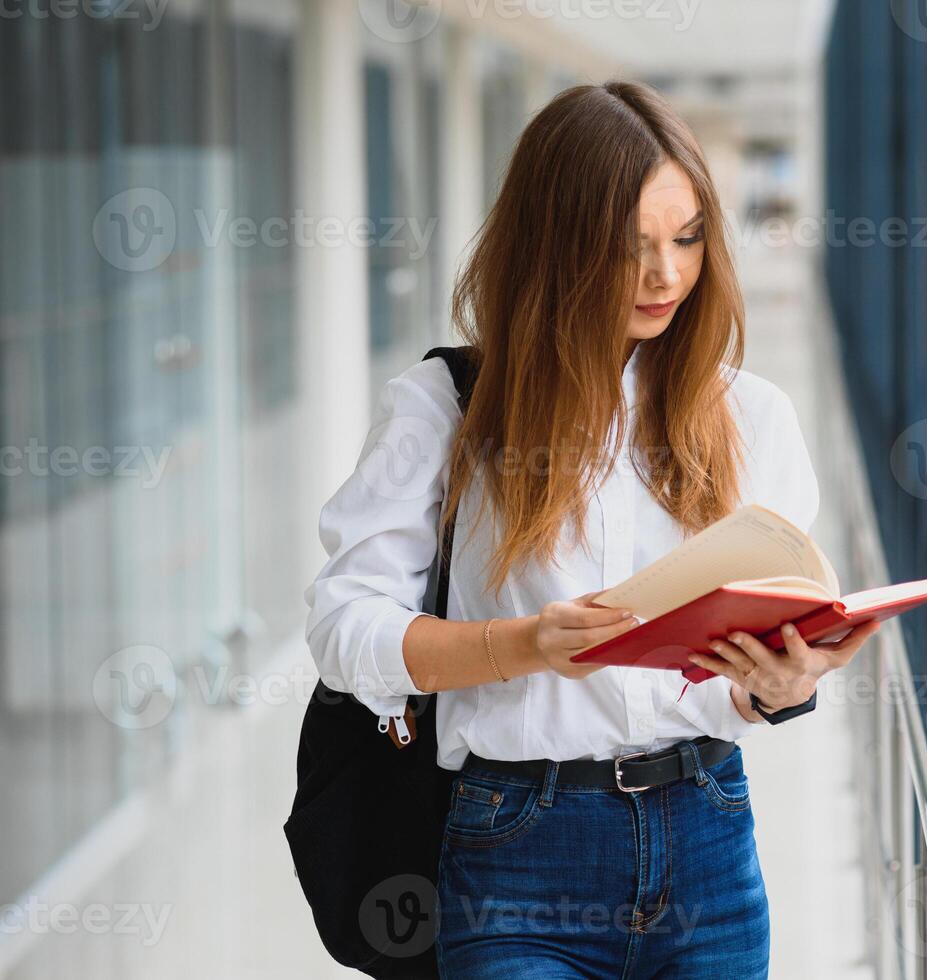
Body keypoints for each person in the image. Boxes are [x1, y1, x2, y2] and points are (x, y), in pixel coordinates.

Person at [303, 80, 879, 979]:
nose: (666, 275)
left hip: (709, 842)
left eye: (686, 239)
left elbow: (746, 678)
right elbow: (345, 631)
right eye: (628, 247)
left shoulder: (750, 416)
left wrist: (783, 680)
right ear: (553, 248)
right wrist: (524, 643)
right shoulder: (446, 410)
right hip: (516, 849)